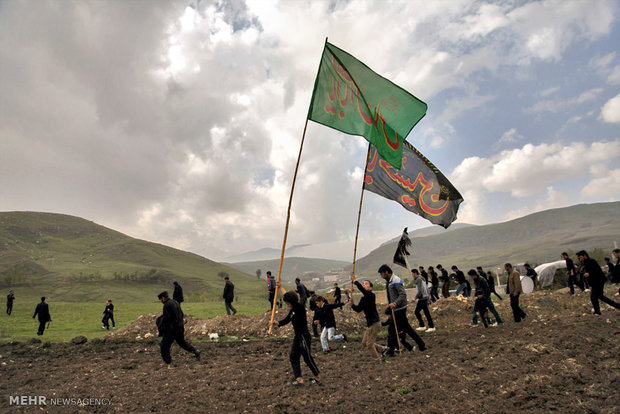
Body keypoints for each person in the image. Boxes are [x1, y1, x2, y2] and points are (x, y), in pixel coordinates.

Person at [271, 291, 321, 386]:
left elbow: (290, 297)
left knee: (307, 357)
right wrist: (277, 323)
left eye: (288, 303)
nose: (287, 305)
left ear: (292, 302)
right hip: (297, 337)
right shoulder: (293, 310)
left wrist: (280, 286)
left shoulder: (299, 308)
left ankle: (317, 376)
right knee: (293, 356)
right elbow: (287, 319)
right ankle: (299, 379)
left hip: (304, 337)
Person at [378, 264, 426, 357]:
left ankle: (390, 350)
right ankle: (421, 345)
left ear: (386, 272)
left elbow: (403, 295)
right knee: (406, 328)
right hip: (395, 309)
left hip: (399, 309)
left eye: (382, 274)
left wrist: (394, 303)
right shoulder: (389, 281)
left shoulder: (396, 280)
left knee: (392, 330)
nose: (381, 276)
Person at [156, 291, 200, 366]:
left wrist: (161, 322)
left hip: (171, 329)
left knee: (164, 345)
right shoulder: (175, 302)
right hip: (179, 327)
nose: (161, 301)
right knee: (182, 343)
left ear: (163, 298)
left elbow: (168, 318)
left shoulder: (166, 305)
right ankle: (195, 351)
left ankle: (167, 361)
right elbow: (181, 314)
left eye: (161, 299)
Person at [349, 272, 382, 360]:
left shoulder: (371, 295)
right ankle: (384, 349)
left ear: (370, 288)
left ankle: (377, 359)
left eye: (366, 284)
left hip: (375, 323)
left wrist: (355, 281)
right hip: (370, 324)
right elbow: (358, 309)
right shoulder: (363, 299)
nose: (364, 285)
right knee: (364, 343)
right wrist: (352, 305)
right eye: (363, 284)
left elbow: (363, 291)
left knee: (369, 345)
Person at [576, 250, 620, 315]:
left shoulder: (591, 261)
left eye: (580, 257)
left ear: (584, 255)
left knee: (594, 296)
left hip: (598, 281)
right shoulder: (585, 263)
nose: (580, 259)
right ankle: (616, 306)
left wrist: (589, 273)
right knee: (600, 296)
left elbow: (597, 270)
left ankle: (597, 311)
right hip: (595, 282)